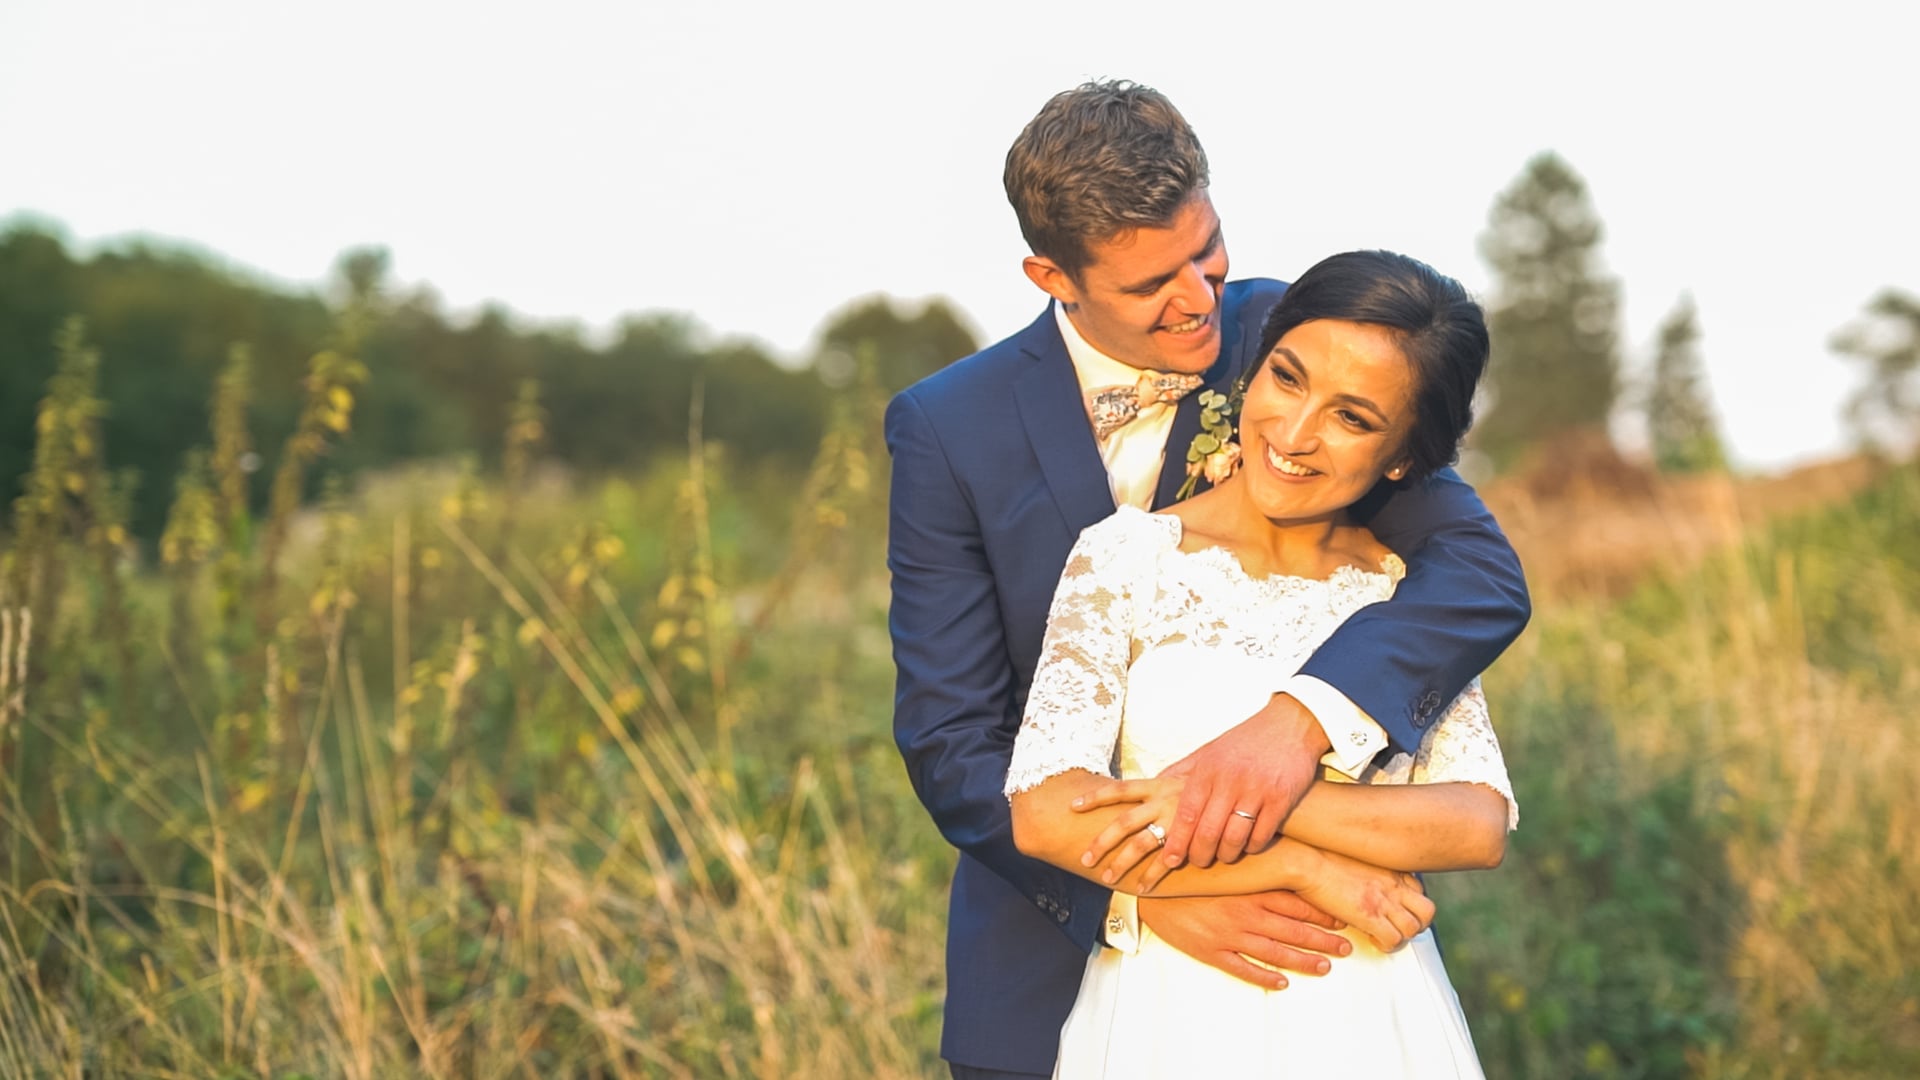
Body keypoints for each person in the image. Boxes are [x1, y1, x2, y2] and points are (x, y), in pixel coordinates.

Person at [886, 81, 1529, 1079]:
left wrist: (1296, 727)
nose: (1200, 300)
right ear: (1052, 274)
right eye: (1154, 285)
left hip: (1345, 999)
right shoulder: (948, 427)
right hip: (1060, 961)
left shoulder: (1304, 345)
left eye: (1207, 249)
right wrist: (1156, 894)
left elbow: (1477, 575)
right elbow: (953, 747)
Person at [1008, 249, 1516, 1078]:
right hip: (1168, 1015)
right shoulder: (1125, 555)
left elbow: (1475, 823)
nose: (1296, 432)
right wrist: (1304, 866)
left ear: (1403, 459)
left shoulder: (1400, 593)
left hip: (1369, 1012)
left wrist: (1255, 791)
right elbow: (1047, 813)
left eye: (1352, 418)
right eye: (1287, 378)